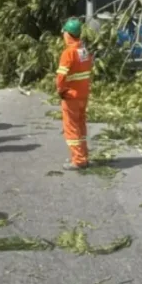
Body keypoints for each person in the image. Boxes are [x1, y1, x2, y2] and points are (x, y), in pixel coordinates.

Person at [56, 17, 92, 170]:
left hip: (71, 95)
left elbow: (61, 76)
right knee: (80, 125)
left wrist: (61, 90)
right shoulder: (84, 50)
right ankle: (83, 155)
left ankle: (78, 160)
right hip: (83, 94)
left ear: (68, 34)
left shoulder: (68, 53)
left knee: (71, 128)